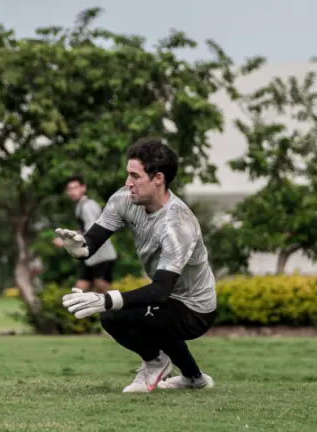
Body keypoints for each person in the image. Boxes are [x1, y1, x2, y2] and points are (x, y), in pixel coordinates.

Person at [55, 137, 217, 393]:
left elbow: (160, 291)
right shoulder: (123, 200)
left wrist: (105, 299)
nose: (127, 182)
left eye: (135, 176)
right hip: (168, 299)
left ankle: (155, 363)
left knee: (115, 315)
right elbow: (91, 244)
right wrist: (78, 249)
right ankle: (194, 378)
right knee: (151, 316)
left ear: (158, 179)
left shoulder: (178, 224)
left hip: (195, 309)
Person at [53, 175, 118, 294]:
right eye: (70, 189)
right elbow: (85, 230)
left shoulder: (87, 206)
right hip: (90, 257)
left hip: (101, 255)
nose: (73, 191)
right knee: (80, 289)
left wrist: (65, 241)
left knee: (103, 288)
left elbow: (92, 231)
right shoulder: (80, 206)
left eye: (76, 188)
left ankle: (124, 308)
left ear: (83, 188)